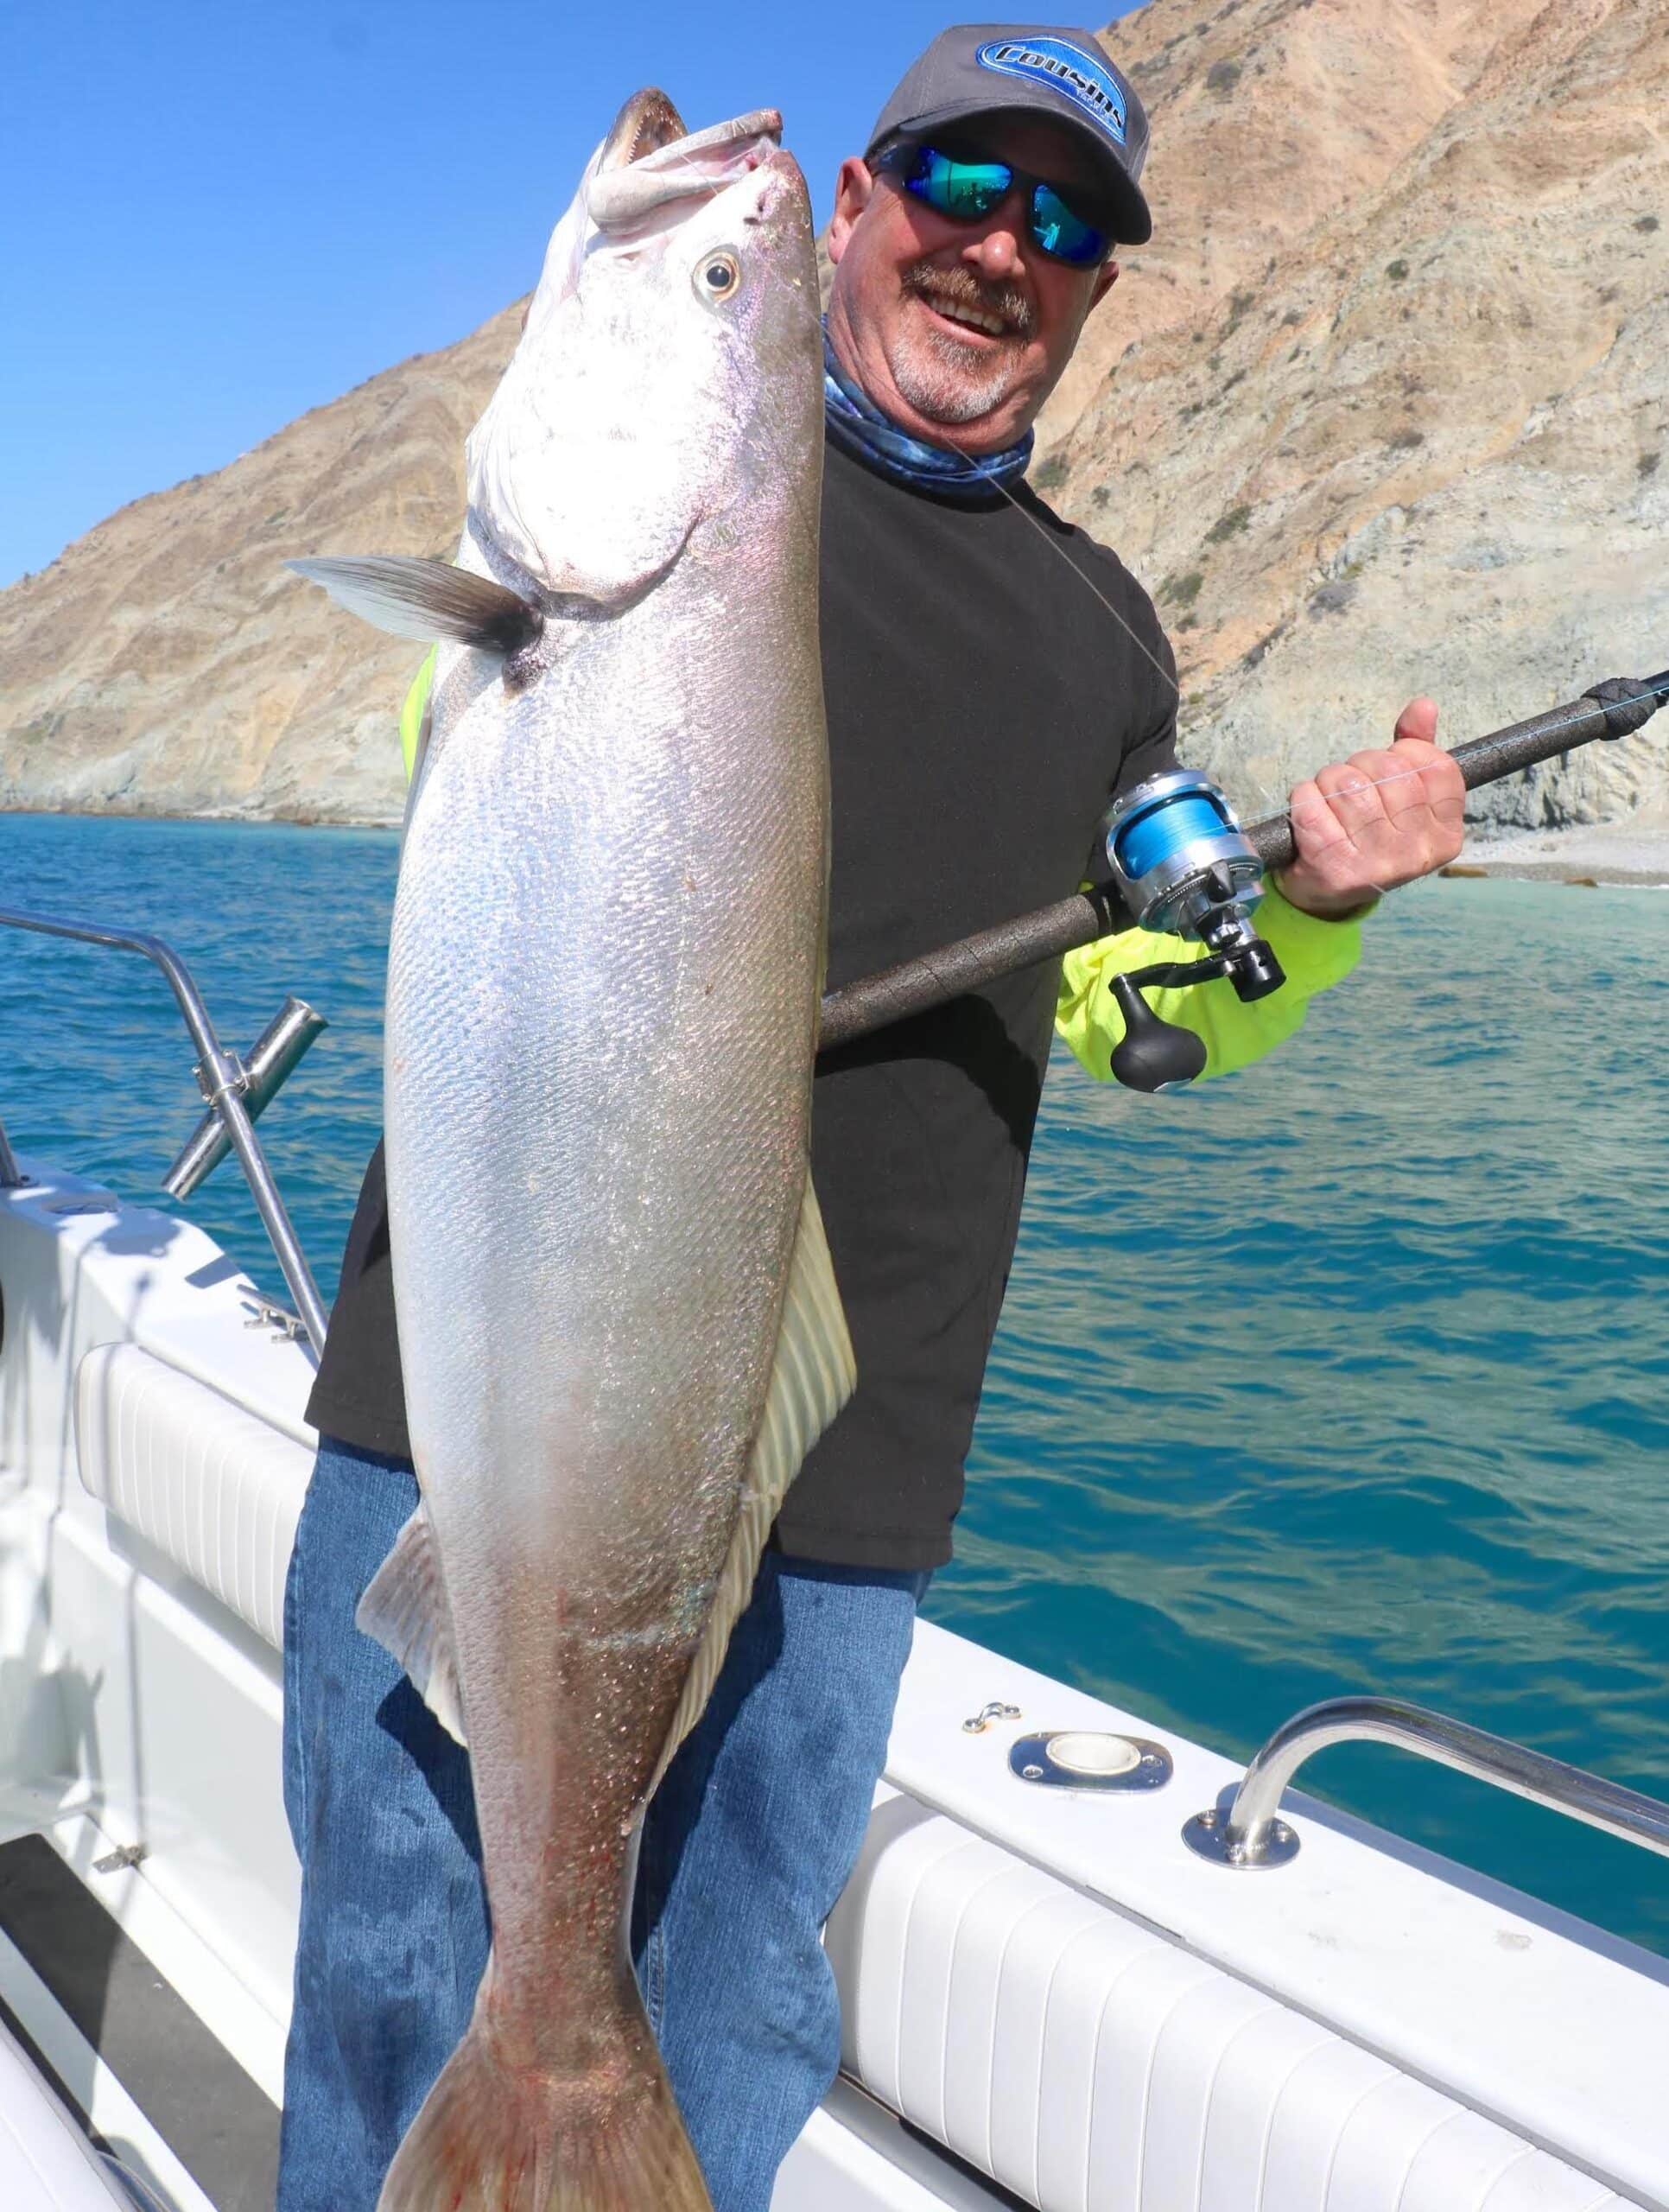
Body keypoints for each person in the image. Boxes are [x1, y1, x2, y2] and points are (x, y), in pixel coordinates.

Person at [278, 24, 1464, 2212]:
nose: (1004, 251)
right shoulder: (571, 551)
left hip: (855, 1462)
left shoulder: (1104, 637)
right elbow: (447, 774)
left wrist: (1319, 908)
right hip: (466, 1409)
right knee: (384, 1971)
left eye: (1069, 225)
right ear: (857, 208)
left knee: (720, 2011)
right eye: (958, 189)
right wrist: (614, 397)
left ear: (1099, 291)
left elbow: (1143, 1017)